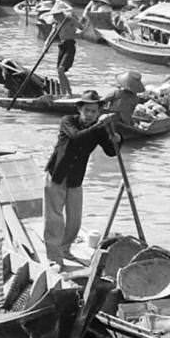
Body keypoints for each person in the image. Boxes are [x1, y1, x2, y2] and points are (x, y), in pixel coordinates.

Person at [43, 89, 119, 267]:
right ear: (80, 110)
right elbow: (76, 138)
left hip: (76, 178)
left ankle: (65, 249)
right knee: (54, 218)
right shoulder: (68, 121)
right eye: (87, 111)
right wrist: (99, 126)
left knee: (75, 220)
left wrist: (117, 137)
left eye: (94, 111)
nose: (90, 115)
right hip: (57, 174)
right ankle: (54, 257)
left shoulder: (98, 129)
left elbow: (111, 151)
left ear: (98, 112)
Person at [49, 0, 79, 95]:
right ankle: (63, 93)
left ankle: (69, 93)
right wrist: (46, 45)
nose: (54, 16)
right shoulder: (56, 23)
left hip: (70, 45)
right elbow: (51, 35)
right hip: (62, 46)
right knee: (59, 71)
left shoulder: (70, 20)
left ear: (61, 14)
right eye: (54, 15)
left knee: (61, 69)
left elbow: (82, 29)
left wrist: (75, 32)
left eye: (56, 14)